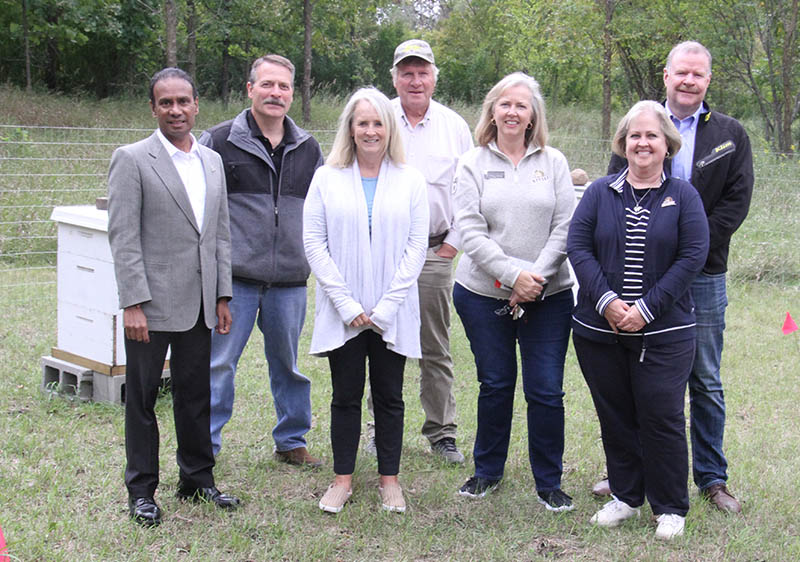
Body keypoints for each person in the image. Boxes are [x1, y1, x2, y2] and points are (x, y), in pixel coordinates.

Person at [601, 41, 754, 513]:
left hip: (703, 276)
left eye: (698, 74)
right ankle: (628, 473)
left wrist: (691, 249)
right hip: (641, 277)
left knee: (704, 377)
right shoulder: (641, 123)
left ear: (708, 80)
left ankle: (712, 477)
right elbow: (616, 192)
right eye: (681, 72)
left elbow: (736, 203)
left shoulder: (730, 134)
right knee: (636, 376)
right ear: (666, 76)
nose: (689, 81)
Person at [569, 100, 710, 540]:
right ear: (622, 143)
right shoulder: (599, 192)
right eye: (635, 135)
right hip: (600, 331)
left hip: (665, 332)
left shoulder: (684, 196)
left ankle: (669, 507)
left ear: (667, 144)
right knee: (615, 415)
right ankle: (626, 497)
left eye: (652, 135)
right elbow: (578, 247)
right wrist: (608, 301)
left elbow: (693, 256)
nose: (642, 143)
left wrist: (646, 309)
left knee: (661, 416)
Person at [107, 68, 240, 527]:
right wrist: (133, 303)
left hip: (200, 304)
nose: (176, 110)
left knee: (196, 395)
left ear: (197, 105)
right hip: (151, 305)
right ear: (153, 108)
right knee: (143, 400)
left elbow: (219, 233)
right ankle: (141, 491)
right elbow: (124, 237)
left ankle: (197, 480)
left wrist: (222, 295)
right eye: (166, 102)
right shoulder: (132, 159)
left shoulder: (211, 161)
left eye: (183, 101)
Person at [452, 72, 575, 511]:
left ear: (532, 115)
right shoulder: (472, 163)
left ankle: (549, 482)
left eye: (521, 105)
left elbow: (566, 227)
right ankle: (487, 472)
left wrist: (533, 280)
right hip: (483, 294)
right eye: (504, 103)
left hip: (549, 295)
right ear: (492, 111)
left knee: (546, 390)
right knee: (496, 383)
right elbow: (470, 231)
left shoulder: (554, 162)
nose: (512, 111)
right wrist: (511, 277)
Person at [303, 87, 428, 513]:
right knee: (345, 396)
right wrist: (346, 303)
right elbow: (314, 242)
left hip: (392, 311)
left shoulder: (410, 180)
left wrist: (387, 306)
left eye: (378, 123)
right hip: (346, 313)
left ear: (389, 129)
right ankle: (342, 480)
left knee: (390, 397)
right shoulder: (327, 178)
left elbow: (416, 246)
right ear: (350, 129)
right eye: (363, 123)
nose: (371, 131)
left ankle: (389, 481)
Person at [200, 55, 324, 466]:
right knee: (219, 365)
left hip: (289, 280)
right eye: (267, 84)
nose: (276, 93)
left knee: (288, 365)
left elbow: (323, 209)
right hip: (234, 282)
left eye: (284, 86)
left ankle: (291, 440)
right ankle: (205, 446)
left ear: (292, 93)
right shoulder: (218, 142)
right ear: (250, 88)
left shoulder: (308, 149)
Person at [367, 39, 474, 464]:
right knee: (382, 341)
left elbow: (470, 193)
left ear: (434, 77)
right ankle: (379, 429)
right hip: (385, 252)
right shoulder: (378, 119)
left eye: (422, 72)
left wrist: (452, 244)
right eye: (407, 73)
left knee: (435, 345)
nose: (415, 81)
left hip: (434, 252)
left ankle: (442, 432)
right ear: (394, 78)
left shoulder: (454, 127)